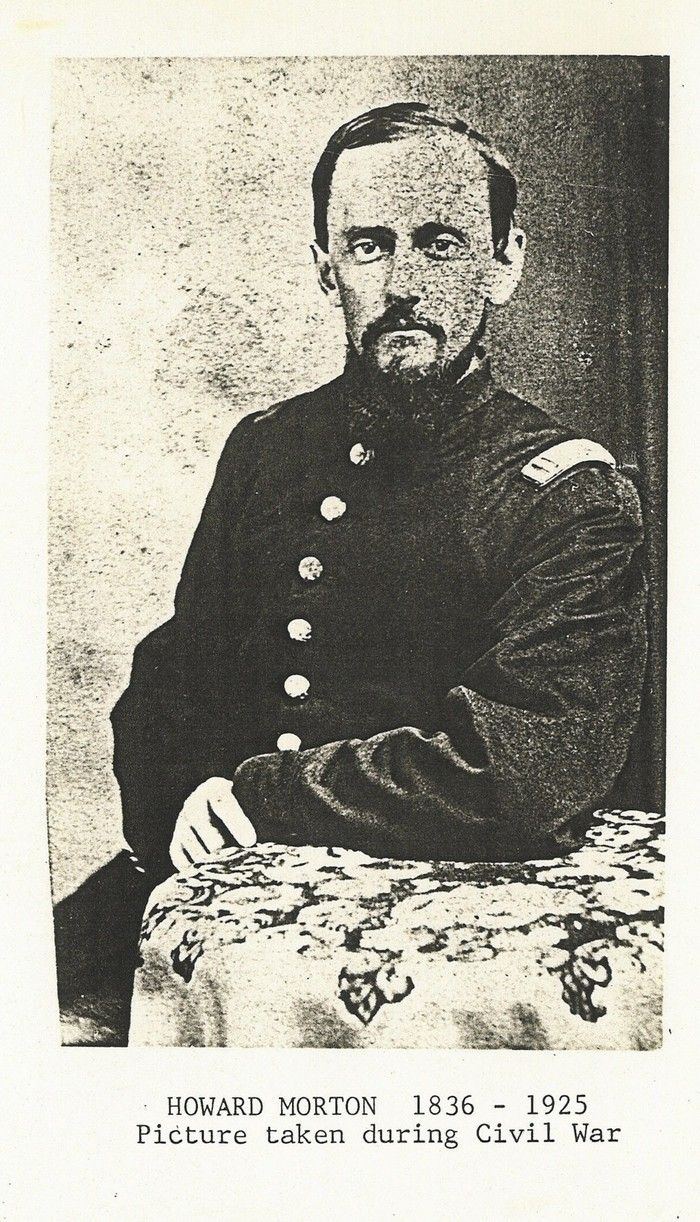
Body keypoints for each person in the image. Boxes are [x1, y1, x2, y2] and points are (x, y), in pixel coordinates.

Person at [111, 102, 648, 881]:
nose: (402, 285)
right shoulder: (266, 448)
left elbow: (520, 771)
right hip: (221, 868)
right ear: (326, 269)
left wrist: (260, 796)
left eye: (440, 244)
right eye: (368, 246)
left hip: (446, 893)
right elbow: (175, 676)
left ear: (504, 264)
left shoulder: (568, 496)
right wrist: (182, 794)